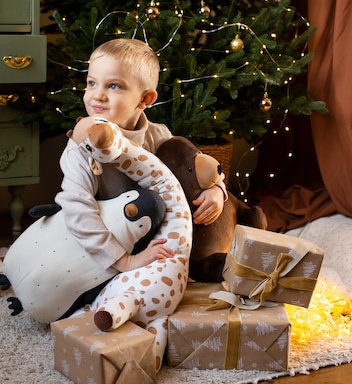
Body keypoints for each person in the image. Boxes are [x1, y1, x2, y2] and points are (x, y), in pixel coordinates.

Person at [56, 38, 228, 274]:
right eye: (92, 83)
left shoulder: (159, 135)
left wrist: (216, 189)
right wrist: (124, 261)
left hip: (154, 230)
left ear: (145, 99)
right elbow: (77, 209)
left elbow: (196, 165)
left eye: (113, 86)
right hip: (109, 243)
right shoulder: (82, 147)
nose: (97, 95)